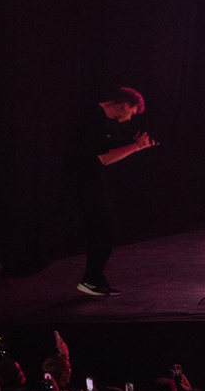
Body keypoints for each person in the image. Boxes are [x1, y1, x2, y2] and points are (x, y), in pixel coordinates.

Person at [65, 87, 155, 297]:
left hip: (87, 181)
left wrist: (134, 144)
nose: (130, 118)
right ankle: (91, 279)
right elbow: (103, 158)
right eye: (132, 112)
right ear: (125, 105)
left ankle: (94, 279)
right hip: (84, 182)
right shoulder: (94, 118)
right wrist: (137, 147)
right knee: (104, 228)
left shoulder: (98, 118)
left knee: (102, 228)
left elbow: (102, 148)